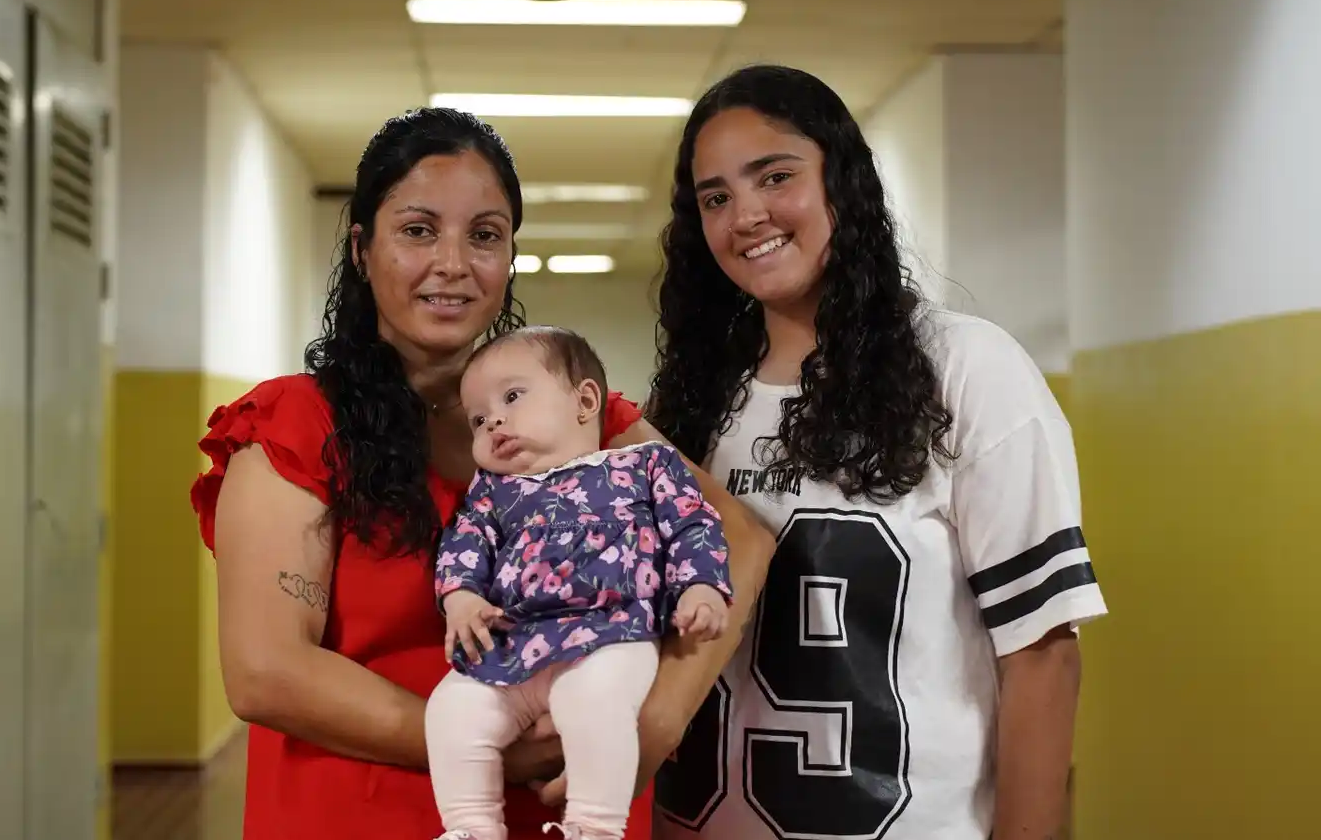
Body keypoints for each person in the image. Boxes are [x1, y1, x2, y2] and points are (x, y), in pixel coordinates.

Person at [188, 107, 775, 840]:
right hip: (366, 814)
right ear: (363, 247)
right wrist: (497, 751)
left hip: (568, 814)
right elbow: (266, 670)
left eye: (486, 235)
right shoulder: (296, 424)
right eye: (418, 229)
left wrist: (652, 722)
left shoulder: (580, 415)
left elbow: (738, 537)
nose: (454, 263)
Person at [646, 64, 1109, 840]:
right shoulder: (690, 397)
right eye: (715, 197)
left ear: (843, 181)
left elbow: (1042, 656)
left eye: (776, 176)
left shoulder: (966, 368)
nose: (746, 214)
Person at [427, 326, 734, 840]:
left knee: (592, 705)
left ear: (585, 400)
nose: (494, 420)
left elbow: (693, 523)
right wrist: (460, 597)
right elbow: (464, 542)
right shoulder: (494, 493)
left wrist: (701, 586)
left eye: (512, 397)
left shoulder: (643, 465)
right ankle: (471, 826)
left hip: (612, 633)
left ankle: (594, 826)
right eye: (478, 419)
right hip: (514, 643)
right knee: (452, 709)